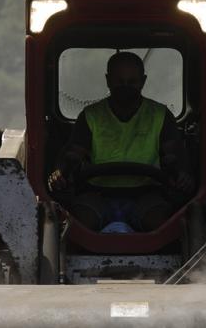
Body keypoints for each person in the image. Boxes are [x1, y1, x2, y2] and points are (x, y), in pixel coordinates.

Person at [48, 51, 193, 233]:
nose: (125, 87)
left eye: (131, 82)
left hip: (147, 194)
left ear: (143, 81)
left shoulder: (160, 115)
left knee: (165, 227)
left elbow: (175, 156)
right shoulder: (91, 115)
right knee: (76, 227)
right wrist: (59, 174)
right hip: (97, 194)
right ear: (108, 80)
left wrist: (183, 176)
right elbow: (73, 154)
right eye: (119, 81)